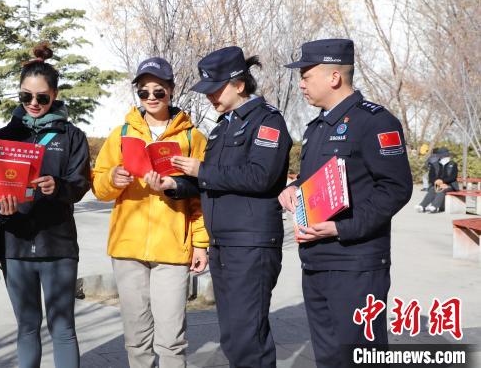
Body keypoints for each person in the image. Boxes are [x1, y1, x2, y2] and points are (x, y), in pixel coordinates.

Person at [278, 38, 413, 368]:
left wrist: (342, 228)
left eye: (306, 76)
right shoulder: (316, 128)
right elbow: (316, 179)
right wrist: (294, 188)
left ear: (334, 77)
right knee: (328, 357)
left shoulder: (375, 122)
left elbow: (396, 188)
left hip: (356, 264)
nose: (301, 84)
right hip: (316, 260)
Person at [170, 46, 292, 368]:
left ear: (239, 84)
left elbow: (260, 176)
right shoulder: (222, 127)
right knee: (233, 336)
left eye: (215, 88)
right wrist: (175, 186)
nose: (209, 96)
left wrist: (201, 170)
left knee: (248, 338)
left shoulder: (267, 121)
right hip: (224, 244)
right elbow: (213, 181)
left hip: (251, 244)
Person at [92, 56, 209, 368]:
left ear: (171, 90)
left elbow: (202, 196)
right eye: (144, 92)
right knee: (136, 338)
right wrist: (112, 179)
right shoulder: (121, 134)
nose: (151, 97)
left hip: (172, 249)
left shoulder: (192, 137)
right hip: (127, 249)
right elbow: (99, 188)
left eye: (159, 91)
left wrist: (200, 243)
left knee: (172, 339)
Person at [0, 43, 91, 368]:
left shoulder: (72, 136)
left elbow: (80, 184)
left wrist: (57, 186)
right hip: (17, 246)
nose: (33, 104)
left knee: (63, 328)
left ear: (55, 95)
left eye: (42, 97)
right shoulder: (5, 136)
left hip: (58, 246)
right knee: (26, 327)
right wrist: (1, 209)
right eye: (26, 97)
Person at [416, 147, 458, 213]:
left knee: (441, 189)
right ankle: (422, 206)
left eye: (445, 156)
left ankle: (434, 206)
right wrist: (437, 182)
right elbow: (431, 177)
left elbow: (453, 177)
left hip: (450, 185)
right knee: (433, 189)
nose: (445, 157)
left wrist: (443, 182)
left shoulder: (453, 164)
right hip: (437, 184)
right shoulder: (434, 165)